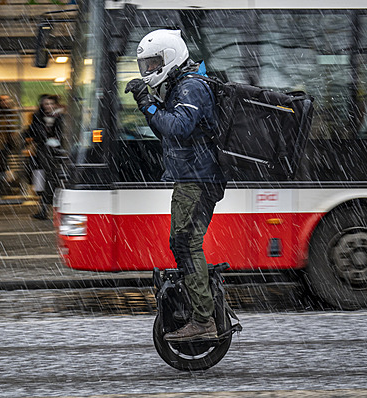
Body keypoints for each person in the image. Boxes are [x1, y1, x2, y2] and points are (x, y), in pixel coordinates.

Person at [125, 29, 226, 341]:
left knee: (186, 243)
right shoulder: (180, 85)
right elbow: (169, 133)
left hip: (197, 180)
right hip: (191, 178)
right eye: (145, 65)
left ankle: (204, 320)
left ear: (170, 58)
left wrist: (147, 103)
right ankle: (203, 308)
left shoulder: (190, 87)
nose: (149, 70)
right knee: (181, 243)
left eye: (154, 62)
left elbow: (179, 127)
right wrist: (152, 104)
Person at [23, 94, 65, 220]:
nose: (49, 106)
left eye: (51, 104)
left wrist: (54, 140)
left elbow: (63, 134)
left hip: (55, 153)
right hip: (41, 152)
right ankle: (44, 208)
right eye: (46, 104)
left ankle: (47, 209)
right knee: (40, 180)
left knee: (51, 180)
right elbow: (32, 132)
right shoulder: (38, 117)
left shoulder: (61, 117)